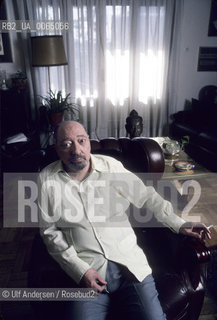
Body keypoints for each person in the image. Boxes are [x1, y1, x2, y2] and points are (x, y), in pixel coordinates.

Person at [38, 120, 210, 320]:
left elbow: (147, 197)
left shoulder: (111, 167)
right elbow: (49, 232)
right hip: (88, 270)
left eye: (81, 140)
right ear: (57, 148)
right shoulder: (46, 179)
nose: (76, 149)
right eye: (66, 144)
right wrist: (80, 270)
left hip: (129, 266)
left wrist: (179, 224)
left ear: (88, 142)